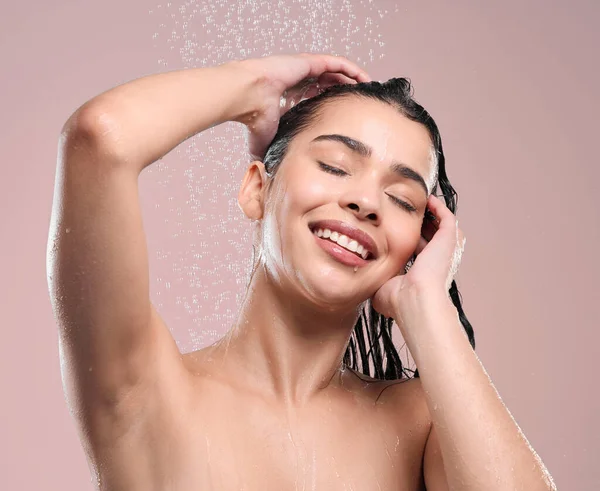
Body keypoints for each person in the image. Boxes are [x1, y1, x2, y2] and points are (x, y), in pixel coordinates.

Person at [47, 53, 556, 490]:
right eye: (334, 165)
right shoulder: (148, 389)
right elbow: (101, 138)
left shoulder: (420, 421)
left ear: (416, 246)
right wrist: (256, 89)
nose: (364, 200)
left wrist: (426, 306)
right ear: (256, 190)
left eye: (402, 199)